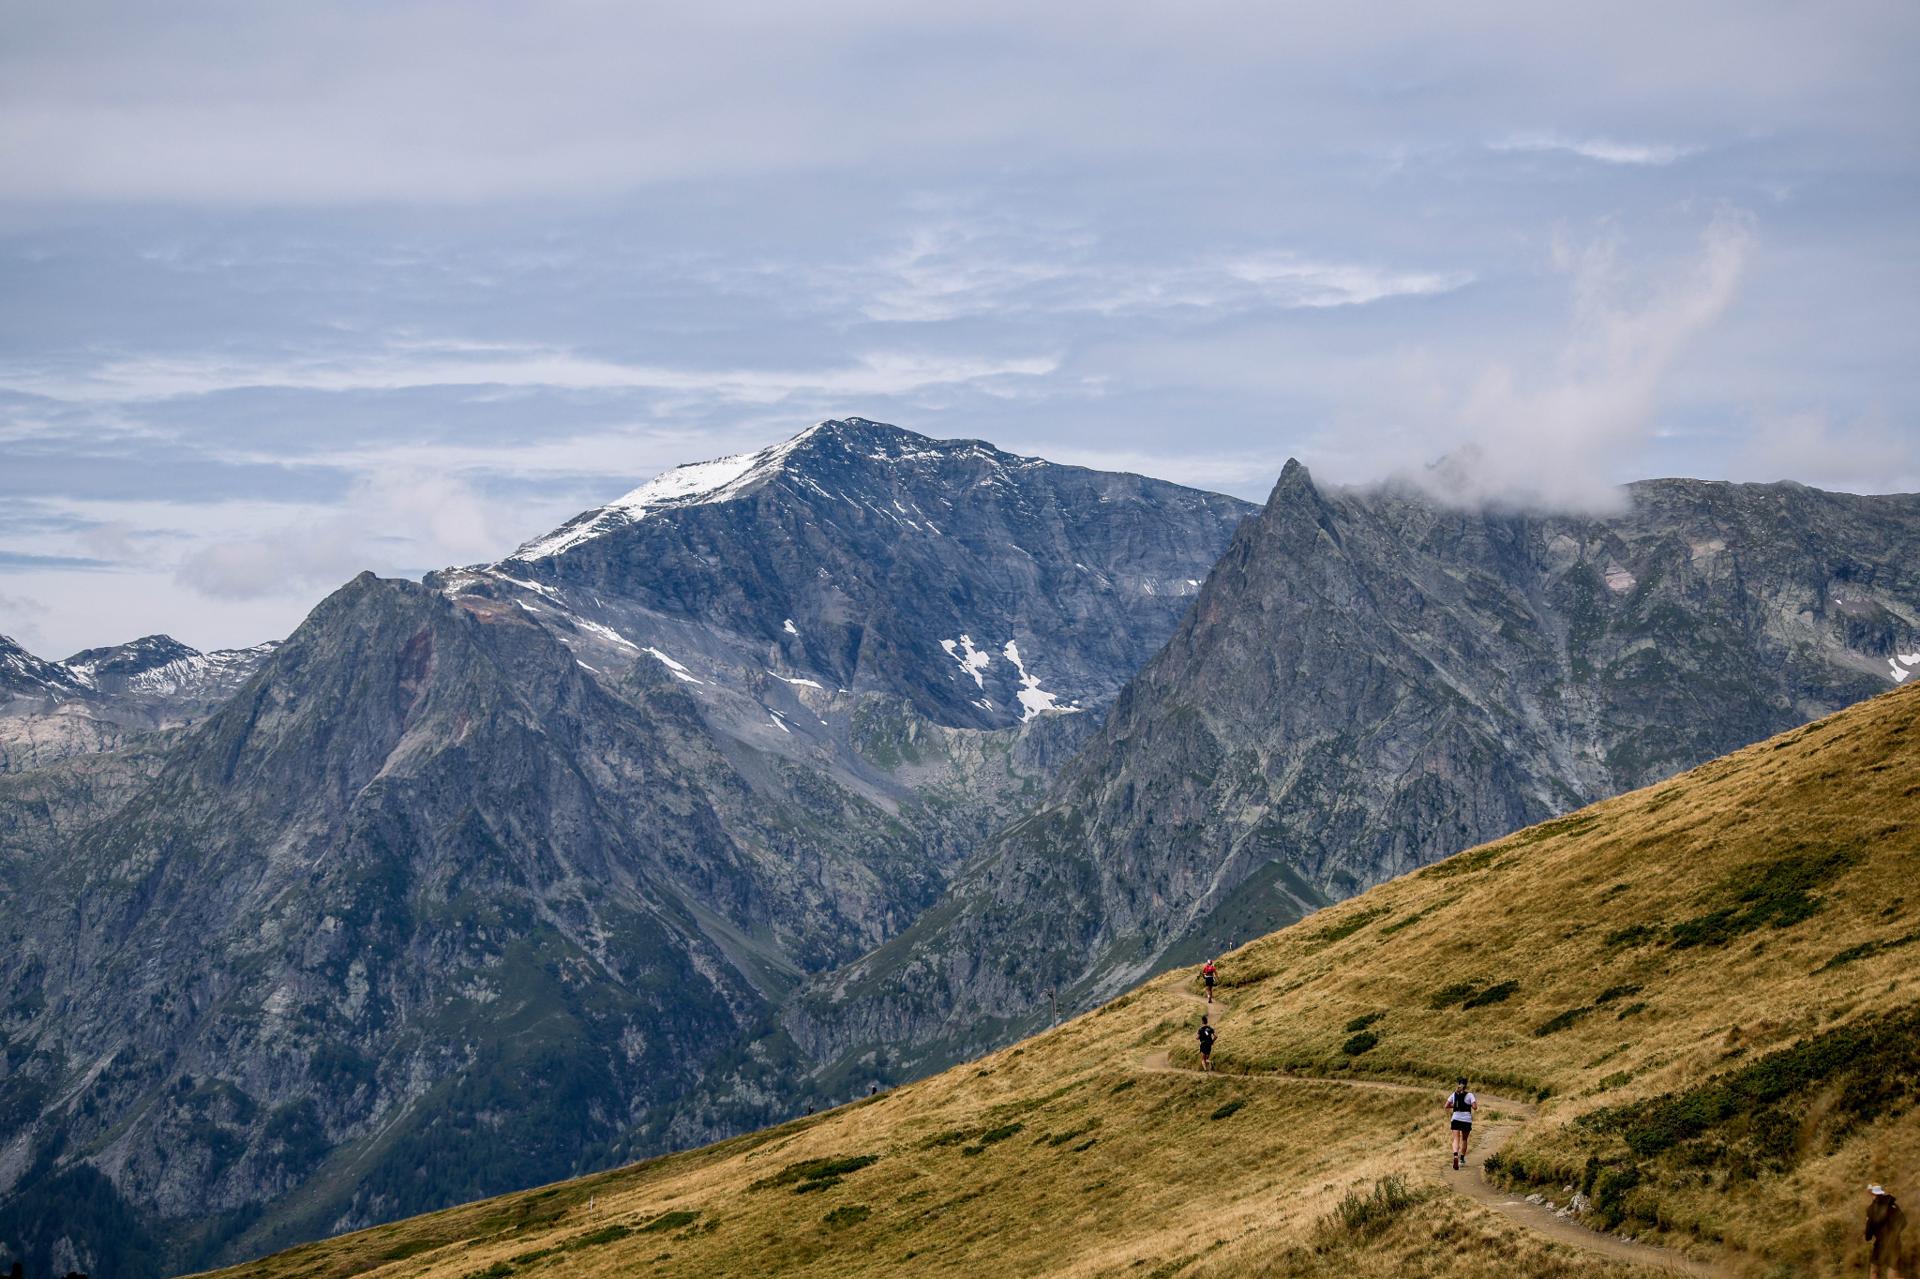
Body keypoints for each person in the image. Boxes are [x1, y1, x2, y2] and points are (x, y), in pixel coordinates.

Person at [1868, 1184, 1907, 1279]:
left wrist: (1868, 1235)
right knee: (1892, 1273)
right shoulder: (1893, 1205)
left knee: (1874, 1270)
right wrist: (1895, 1234)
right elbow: (1904, 1223)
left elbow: (1868, 1233)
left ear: (1873, 1194)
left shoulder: (1872, 1209)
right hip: (1895, 1243)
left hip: (1880, 1244)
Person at [1444, 1076, 1477, 1171]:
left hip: (1456, 1118)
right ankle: (1462, 1159)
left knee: (1456, 1139)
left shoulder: (1454, 1094)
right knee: (1464, 1139)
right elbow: (1475, 1107)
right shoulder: (1470, 1095)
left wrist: (1455, 1105)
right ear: (1466, 1085)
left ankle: (1455, 1155)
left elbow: (1446, 1106)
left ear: (1458, 1084)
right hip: (1466, 1119)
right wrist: (1468, 1105)